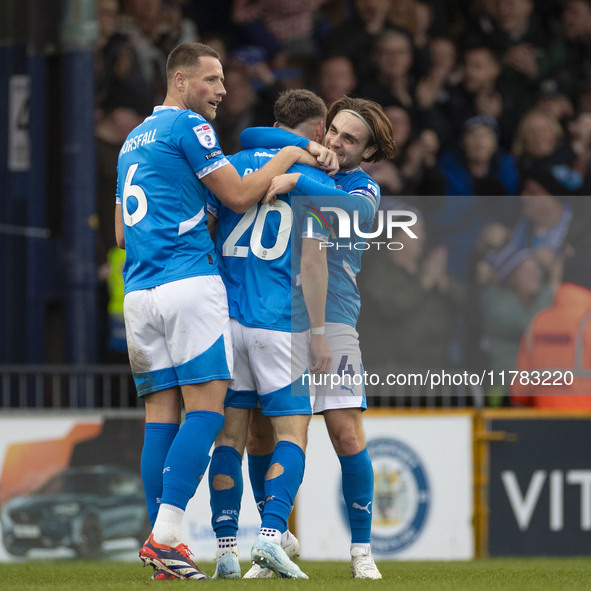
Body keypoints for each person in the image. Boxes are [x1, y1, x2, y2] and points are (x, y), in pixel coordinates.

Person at [114, 42, 326, 581]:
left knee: (160, 419)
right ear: (181, 81)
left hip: (138, 292)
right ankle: (164, 538)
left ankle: (166, 550)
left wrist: (187, 205)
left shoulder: (131, 142)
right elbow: (236, 195)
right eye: (211, 80)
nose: (222, 90)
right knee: (208, 414)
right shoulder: (191, 128)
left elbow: (120, 232)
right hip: (189, 284)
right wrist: (290, 155)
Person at [240, 95, 397, 579]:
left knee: (345, 434)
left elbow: (352, 211)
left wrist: (293, 178)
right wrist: (301, 157)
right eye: (332, 130)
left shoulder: (363, 187)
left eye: (349, 139)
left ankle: (362, 552)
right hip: (278, 319)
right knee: (264, 434)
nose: (335, 141)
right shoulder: (313, 159)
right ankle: (277, 540)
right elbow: (251, 137)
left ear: (367, 153)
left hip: (334, 324)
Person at [205, 89, 336, 580]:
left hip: (226, 318)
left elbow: (211, 225)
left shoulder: (235, 163)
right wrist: (319, 332)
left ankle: (223, 550)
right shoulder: (312, 177)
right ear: (318, 132)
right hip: (276, 321)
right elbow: (313, 258)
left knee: (231, 436)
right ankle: (270, 536)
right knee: (293, 433)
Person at [510, 250, 591, 409]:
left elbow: (519, 391)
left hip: (544, 424)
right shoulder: (588, 322)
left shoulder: (537, 322)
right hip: (585, 425)